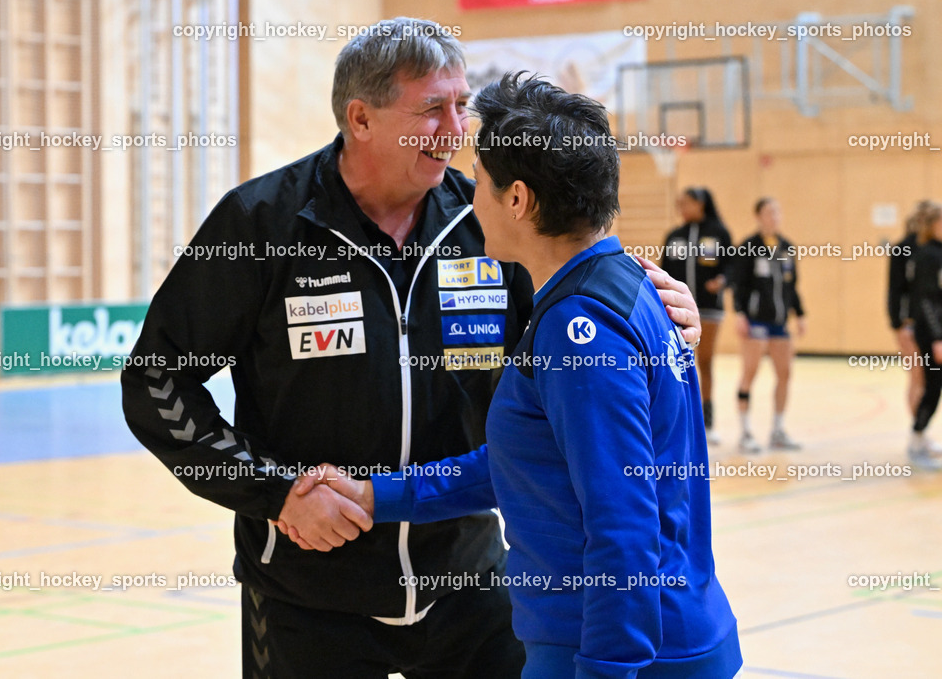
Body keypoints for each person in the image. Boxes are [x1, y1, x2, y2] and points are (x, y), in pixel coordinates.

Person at [120, 18, 702, 679]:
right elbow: (156, 381)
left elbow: (576, 341)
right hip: (307, 599)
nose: (457, 129)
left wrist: (659, 319)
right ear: (361, 119)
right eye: (432, 109)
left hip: (473, 587)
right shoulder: (262, 225)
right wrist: (277, 492)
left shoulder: (492, 224)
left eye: (462, 105)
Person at [291, 73, 742, 678]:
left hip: (617, 650)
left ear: (518, 200)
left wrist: (605, 670)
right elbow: (524, 464)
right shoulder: (628, 289)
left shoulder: (578, 328)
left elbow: (622, 526)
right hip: (656, 637)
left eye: (479, 184)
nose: (469, 200)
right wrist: (378, 496)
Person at [661, 187, 733, 444]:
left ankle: (708, 421)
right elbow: (663, 271)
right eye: (679, 203)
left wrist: (723, 281)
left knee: (705, 362)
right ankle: (679, 421)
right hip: (677, 310)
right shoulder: (675, 236)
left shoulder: (718, 233)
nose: (681, 207)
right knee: (677, 364)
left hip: (709, 309)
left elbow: (732, 266)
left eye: (686, 203)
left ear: (700, 204)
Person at [732, 198, 805, 453]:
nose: (773, 216)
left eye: (777, 211)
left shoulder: (787, 248)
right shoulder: (748, 247)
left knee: (785, 373)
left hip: (780, 323)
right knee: (750, 373)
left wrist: (801, 314)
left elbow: (791, 287)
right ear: (758, 216)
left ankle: (778, 429)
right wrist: (740, 314)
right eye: (768, 212)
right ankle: (746, 431)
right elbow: (738, 285)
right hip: (755, 321)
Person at [889, 201, 931, 416]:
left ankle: (922, 432)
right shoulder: (904, 249)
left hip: (932, 325)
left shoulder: (934, 249)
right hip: (911, 324)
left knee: (930, 380)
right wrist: (899, 324)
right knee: (918, 376)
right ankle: (917, 433)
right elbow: (895, 291)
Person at [908, 201, 942, 470]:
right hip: (931, 332)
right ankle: (917, 437)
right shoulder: (927, 255)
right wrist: (937, 338)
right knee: (932, 386)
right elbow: (926, 301)